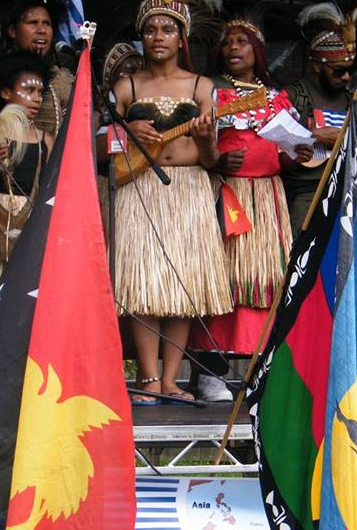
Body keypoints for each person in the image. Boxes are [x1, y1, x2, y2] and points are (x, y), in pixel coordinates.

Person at [109, 0, 232, 405]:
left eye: (167, 30)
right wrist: (129, 133)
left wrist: (201, 138)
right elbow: (103, 149)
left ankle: (171, 379)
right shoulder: (127, 87)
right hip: (139, 190)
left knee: (182, 286)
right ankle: (147, 377)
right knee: (144, 284)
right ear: (141, 37)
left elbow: (213, 159)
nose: (158, 37)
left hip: (189, 188)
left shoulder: (201, 87)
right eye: (150, 30)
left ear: (181, 38)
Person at [186, 18, 313, 402]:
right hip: (229, 194)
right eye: (228, 43)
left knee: (266, 282)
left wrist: (298, 156)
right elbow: (199, 145)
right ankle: (210, 371)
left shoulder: (276, 97)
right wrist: (221, 159)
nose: (235, 48)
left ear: (258, 50)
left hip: (269, 199)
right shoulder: (211, 92)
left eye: (243, 42)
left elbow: (283, 154)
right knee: (224, 281)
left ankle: (262, 370)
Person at [281, 1, 357, 239]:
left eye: (351, 69)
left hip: (343, 194)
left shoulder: (352, 102)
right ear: (317, 66)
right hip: (304, 195)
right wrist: (313, 136)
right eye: (339, 71)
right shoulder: (293, 94)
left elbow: (355, 159)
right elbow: (273, 147)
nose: (347, 77)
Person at [0, 0, 71, 220]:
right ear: (12, 30)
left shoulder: (62, 81)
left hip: (44, 197)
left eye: (47, 24)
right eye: (32, 23)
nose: (41, 30)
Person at [0, 51, 53, 303]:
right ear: (5, 93)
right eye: (29, 90)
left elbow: (49, 192)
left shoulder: (44, 138)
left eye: (40, 93)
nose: (36, 99)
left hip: (32, 226)